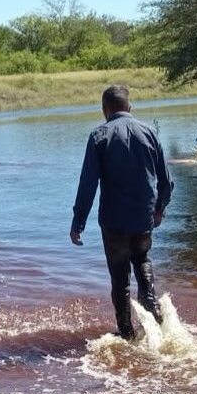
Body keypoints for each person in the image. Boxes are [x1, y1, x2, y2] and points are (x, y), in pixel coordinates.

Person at [70, 84, 173, 340]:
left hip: (114, 222)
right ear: (130, 108)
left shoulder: (98, 137)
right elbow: (166, 181)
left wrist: (78, 222)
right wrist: (159, 209)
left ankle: (126, 333)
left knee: (120, 277)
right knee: (142, 258)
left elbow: (88, 184)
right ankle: (151, 304)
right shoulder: (149, 132)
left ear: (104, 110)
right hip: (143, 218)